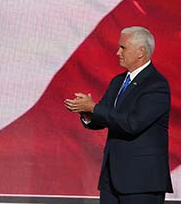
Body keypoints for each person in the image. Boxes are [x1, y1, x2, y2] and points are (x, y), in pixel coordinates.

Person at [64, 26, 173, 204]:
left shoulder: (156, 85)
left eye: (123, 47)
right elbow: (106, 116)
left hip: (141, 182)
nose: (117, 52)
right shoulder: (118, 81)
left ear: (141, 52)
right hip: (111, 179)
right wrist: (87, 113)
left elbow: (133, 124)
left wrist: (94, 108)